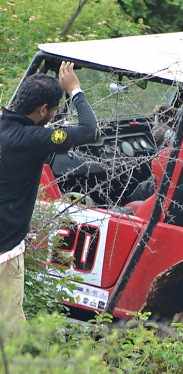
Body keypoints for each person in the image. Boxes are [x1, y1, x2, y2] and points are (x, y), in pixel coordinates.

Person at [0, 62, 98, 328]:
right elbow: (89, 130)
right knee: (10, 336)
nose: (53, 117)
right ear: (43, 110)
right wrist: (75, 90)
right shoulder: (33, 138)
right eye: (53, 112)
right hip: (4, 252)